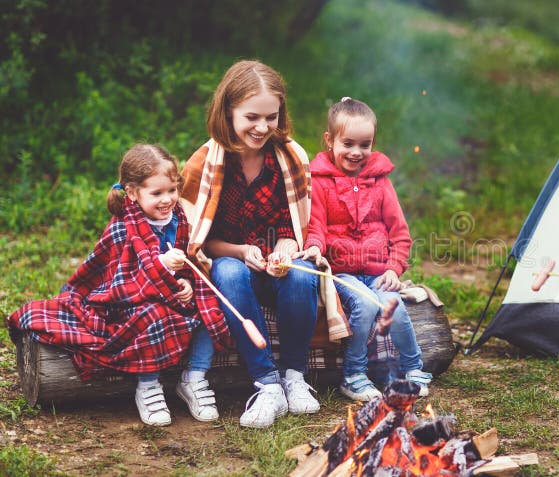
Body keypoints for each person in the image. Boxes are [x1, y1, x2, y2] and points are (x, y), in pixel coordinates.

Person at [6, 144, 232, 427]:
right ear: (133, 193)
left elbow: (188, 262)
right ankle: (147, 385)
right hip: (128, 302)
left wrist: (186, 280)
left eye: (172, 190)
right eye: (157, 193)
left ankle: (194, 377)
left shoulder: (179, 219)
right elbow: (118, 282)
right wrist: (161, 266)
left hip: (172, 295)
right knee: (152, 316)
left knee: (210, 308)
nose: (167, 200)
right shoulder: (123, 227)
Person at [180, 59, 331, 428]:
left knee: (302, 273)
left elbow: (295, 222)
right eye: (252, 117)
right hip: (232, 266)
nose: (263, 127)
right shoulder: (206, 163)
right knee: (229, 272)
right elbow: (196, 240)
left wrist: (284, 246)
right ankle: (267, 385)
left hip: (275, 269)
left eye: (272, 117)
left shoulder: (289, 157)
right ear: (227, 111)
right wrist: (241, 252)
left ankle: (294, 377)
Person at [300, 97, 431, 401]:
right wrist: (315, 248)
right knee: (367, 306)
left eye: (365, 144)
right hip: (341, 272)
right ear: (329, 140)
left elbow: (400, 233)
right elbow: (316, 225)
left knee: (392, 307)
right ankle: (354, 374)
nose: (356, 152)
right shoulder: (319, 183)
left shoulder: (381, 183)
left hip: (377, 270)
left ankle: (414, 367)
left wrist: (394, 269)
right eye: (348, 143)